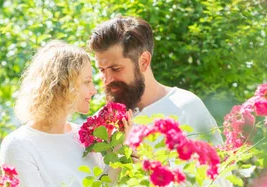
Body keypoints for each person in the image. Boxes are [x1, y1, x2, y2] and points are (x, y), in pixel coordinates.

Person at [0, 40, 127, 187]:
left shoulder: (80, 135)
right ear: (62, 85)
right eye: (87, 81)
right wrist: (114, 163)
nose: (94, 90)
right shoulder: (18, 146)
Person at [87, 16, 223, 145]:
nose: (107, 80)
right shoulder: (103, 121)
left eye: (116, 69)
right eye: (102, 70)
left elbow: (218, 168)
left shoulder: (186, 108)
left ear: (144, 62)